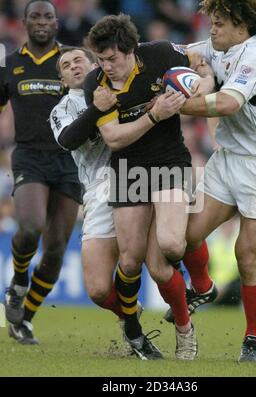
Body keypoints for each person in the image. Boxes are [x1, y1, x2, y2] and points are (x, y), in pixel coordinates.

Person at [83, 13, 218, 360]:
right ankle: (147, 331)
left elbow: (201, 62)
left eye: (112, 58)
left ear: (131, 50)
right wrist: (156, 114)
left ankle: (194, 304)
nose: (106, 66)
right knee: (132, 264)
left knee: (171, 247)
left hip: (170, 162)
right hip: (127, 169)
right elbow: (113, 139)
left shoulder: (160, 53)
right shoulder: (96, 85)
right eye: (100, 59)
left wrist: (201, 82)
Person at [181, 0, 256, 362]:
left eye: (218, 23)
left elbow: (228, 104)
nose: (210, 30)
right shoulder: (218, 45)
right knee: (187, 236)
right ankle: (202, 286)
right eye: (210, 23)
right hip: (228, 160)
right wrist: (195, 66)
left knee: (246, 257)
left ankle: (253, 341)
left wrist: (177, 106)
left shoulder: (255, 56)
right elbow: (181, 51)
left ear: (241, 25)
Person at [50, 45, 151, 358]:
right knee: (96, 289)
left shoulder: (122, 84)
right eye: (66, 65)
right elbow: (68, 139)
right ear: (63, 80)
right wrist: (96, 108)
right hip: (99, 188)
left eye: (79, 59)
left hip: (140, 175)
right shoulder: (62, 109)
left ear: (95, 64)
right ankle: (130, 318)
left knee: (164, 255)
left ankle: (187, 310)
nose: (75, 66)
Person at [0, 0, 82, 344]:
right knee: (30, 227)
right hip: (29, 157)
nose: (42, 22)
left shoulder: (71, 61)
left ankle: (26, 318)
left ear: (56, 22)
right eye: (35, 16)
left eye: (48, 16)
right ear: (24, 22)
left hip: (69, 160)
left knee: (56, 249)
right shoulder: (11, 64)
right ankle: (18, 281)